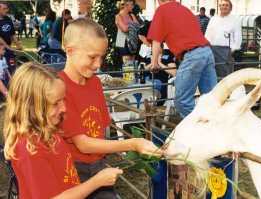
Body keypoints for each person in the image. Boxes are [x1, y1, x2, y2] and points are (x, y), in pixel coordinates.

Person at [60, 18, 162, 199]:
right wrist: (133, 143)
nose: (98, 64)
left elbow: (102, 129)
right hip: (72, 168)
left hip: (98, 163)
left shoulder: (95, 83)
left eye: (102, 57)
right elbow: (83, 144)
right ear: (70, 51)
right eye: (92, 57)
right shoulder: (60, 89)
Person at [3, 62, 123, 199]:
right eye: (55, 103)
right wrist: (97, 182)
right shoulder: (30, 149)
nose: (64, 108)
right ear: (30, 107)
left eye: (63, 100)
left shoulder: (49, 129)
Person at [147, 0, 217, 118]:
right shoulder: (185, 9)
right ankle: (215, 127)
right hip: (207, 51)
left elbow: (156, 41)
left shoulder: (161, 10)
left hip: (191, 55)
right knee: (212, 98)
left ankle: (199, 128)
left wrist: (154, 63)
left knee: (182, 102)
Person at [205, 0, 242, 79]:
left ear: (231, 8)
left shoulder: (235, 20)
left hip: (226, 50)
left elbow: (238, 36)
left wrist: (232, 50)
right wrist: (206, 46)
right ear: (219, 7)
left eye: (226, 5)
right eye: (222, 5)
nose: (224, 7)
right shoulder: (213, 19)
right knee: (211, 72)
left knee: (225, 74)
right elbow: (207, 34)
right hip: (212, 49)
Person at [115, 0, 139, 66]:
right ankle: (128, 76)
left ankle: (133, 76)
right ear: (126, 5)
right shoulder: (118, 16)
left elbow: (138, 27)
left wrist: (129, 25)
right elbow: (124, 29)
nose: (133, 7)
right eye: (132, 5)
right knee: (127, 63)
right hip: (122, 39)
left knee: (133, 63)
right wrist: (132, 25)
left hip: (132, 39)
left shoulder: (132, 15)